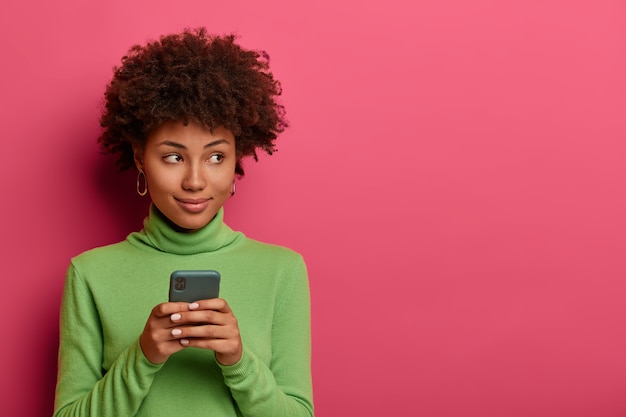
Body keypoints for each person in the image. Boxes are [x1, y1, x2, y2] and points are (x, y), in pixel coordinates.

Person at [53, 28, 313, 417]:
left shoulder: (283, 271)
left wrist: (238, 362)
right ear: (140, 157)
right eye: (173, 157)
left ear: (237, 159)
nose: (195, 181)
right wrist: (143, 355)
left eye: (215, 157)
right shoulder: (90, 274)